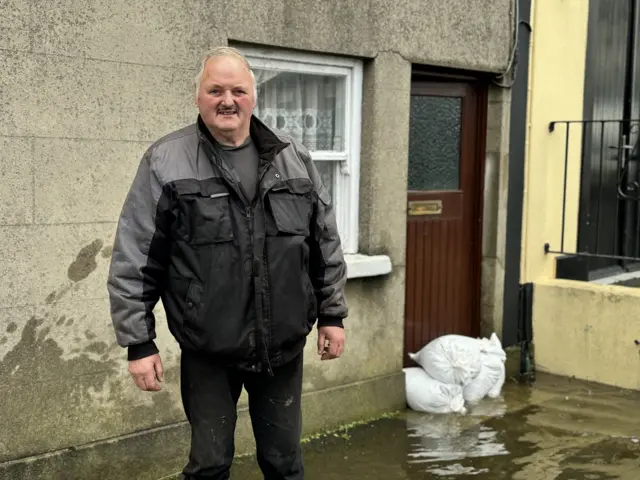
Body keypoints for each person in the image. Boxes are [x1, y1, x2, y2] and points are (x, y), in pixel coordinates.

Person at [107, 46, 348, 479]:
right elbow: (135, 256)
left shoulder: (294, 159)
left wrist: (333, 314)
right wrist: (138, 342)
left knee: (285, 463)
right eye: (215, 89)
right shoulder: (166, 162)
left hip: (282, 346)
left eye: (238, 90)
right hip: (208, 349)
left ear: (254, 97)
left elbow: (324, 243)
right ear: (198, 97)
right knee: (209, 465)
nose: (227, 100)